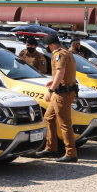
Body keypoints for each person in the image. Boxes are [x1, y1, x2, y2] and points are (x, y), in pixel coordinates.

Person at [34, 34, 78, 163]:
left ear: (51, 45)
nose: (47, 48)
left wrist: (51, 90)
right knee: (49, 117)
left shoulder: (59, 54)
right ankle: (50, 148)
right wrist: (54, 82)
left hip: (62, 93)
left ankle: (71, 153)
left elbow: (60, 72)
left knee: (64, 123)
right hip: (63, 91)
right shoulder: (67, 52)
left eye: (47, 46)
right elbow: (65, 73)